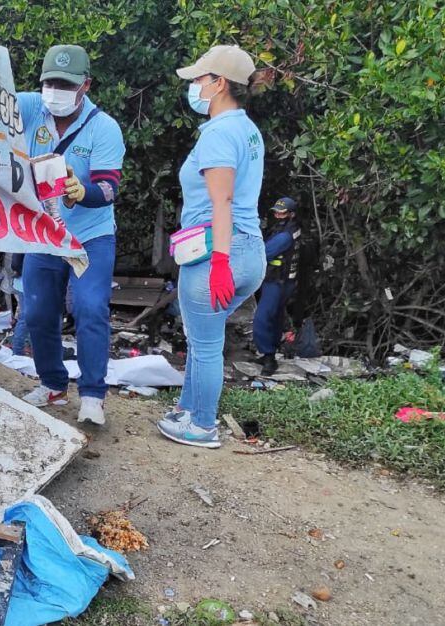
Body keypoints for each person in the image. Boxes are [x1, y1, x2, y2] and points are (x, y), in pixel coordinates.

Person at [157, 45, 266, 449]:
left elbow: (221, 201)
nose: (194, 87)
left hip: (217, 252)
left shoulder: (219, 133)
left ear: (219, 83)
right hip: (250, 251)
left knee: (204, 345)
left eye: (200, 79)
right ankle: (188, 408)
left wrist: (219, 262)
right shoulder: (247, 129)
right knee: (204, 335)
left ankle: (202, 425)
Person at [17, 44, 125, 425]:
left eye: (65, 84)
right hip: (44, 233)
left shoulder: (104, 127)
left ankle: (93, 395)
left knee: (91, 308)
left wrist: (85, 192)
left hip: (90, 237)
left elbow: (111, 186)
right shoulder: (33, 108)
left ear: (86, 85)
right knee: (38, 311)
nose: (55, 90)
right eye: (50, 82)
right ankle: (52, 385)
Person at [253, 197, 302, 375]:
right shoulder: (291, 228)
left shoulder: (284, 236)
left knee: (262, 318)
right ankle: (270, 352)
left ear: (291, 214)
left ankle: (269, 358)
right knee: (275, 317)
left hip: (277, 282)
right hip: (284, 282)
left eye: (282, 212)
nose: (277, 215)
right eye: (276, 211)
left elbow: (264, 253)